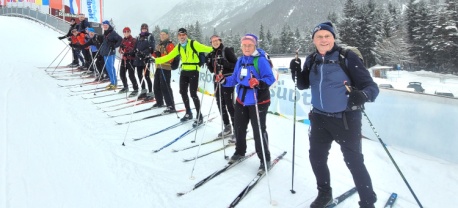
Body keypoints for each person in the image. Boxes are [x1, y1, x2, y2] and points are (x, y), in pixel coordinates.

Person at [295, 22, 379, 208]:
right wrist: (296, 71)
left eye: (327, 36)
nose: (323, 40)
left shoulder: (346, 57)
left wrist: (363, 95)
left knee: (354, 161)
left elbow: (372, 87)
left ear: (333, 37)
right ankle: (324, 194)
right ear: (313, 40)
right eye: (319, 36)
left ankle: (367, 202)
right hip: (319, 118)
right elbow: (302, 85)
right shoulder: (311, 59)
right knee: (316, 158)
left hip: (346, 119)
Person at [215, 34, 276, 173]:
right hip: (241, 100)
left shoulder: (260, 60)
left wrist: (259, 83)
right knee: (239, 128)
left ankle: (265, 158)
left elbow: (270, 78)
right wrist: (224, 80)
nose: (247, 47)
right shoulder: (241, 60)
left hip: (258, 100)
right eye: (244, 45)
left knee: (258, 131)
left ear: (255, 45)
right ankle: (240, 152)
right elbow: (235, 79)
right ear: (241, 46)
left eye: (250, 45)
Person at [153, 28, 213, 126]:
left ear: (186, 35)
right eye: (180, 35)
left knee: (193, 94)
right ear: (178, 36)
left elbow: (207, 48)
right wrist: (155, 60)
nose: (182, 37)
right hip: (184, 71)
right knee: (183, 92)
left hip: (194, 71)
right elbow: (168, 57)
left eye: (183, 35)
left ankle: (199, 116)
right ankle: (188, 112)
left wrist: (219, 48)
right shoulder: (179, 47)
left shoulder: (193, 44)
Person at [205, 35, 238, 140]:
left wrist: (226, 63)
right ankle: (227, 126)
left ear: (220, 41)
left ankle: (237, 129)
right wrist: (208, 63)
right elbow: (212, 70)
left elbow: (236, 65)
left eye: (216, 41)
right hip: (217, 80)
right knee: (220, 104)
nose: (215, 43)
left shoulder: (226, 50)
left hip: (228, 80)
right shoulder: (211, 53)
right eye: (213, 41)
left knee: (230, 105)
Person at [151, 29, 179, 113]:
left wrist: (160, 55)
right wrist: (152, 53)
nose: (162, 36)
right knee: (156, 85)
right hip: (159, 67)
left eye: (164, 34)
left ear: (167, 35)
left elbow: (171, 58)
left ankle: (171, 106)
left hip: (166, 68)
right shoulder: (160, 44)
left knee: (165, 87)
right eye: (161, 34)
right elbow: (156, 56)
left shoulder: (170, 45)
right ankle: (159, 102)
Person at [132, 23, 155, 99]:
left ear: (147, 29)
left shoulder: (150, 36)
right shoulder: (139, 37)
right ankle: (143, 90)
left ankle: (151, 92)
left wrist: (144, 53)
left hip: (146, 59)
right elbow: (135, 47)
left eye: (145, 28)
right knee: (139, 75)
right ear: (141, 29)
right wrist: (133, 52)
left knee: (147, 76)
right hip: (138, 59)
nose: (144, 29)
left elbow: (151, 48)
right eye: (143, 28)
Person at [99, 20, 122, 90]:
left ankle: (114, 83)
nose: (105, 26)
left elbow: (120, 39)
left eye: (106, 25)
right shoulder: (105, 32)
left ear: (108, 25)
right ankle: (113, 82)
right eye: (104, 25)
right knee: (109, 68)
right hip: (106, 52)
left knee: (110, 68)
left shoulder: (112, 32)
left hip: (110, 53)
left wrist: (114, 46)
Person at [118, 27, 138, 93]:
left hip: (131, 59)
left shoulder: (133, 40)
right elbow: (120, 50)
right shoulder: (123, 40)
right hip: (124, 59)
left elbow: (134, 49)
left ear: (130, 32)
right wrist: (120, 49)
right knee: (122, 74)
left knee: (131, 75)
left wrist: (126, 49)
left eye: (127, 31)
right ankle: (125, 87)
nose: (126, 33)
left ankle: (135, 89)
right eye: (125, 32)